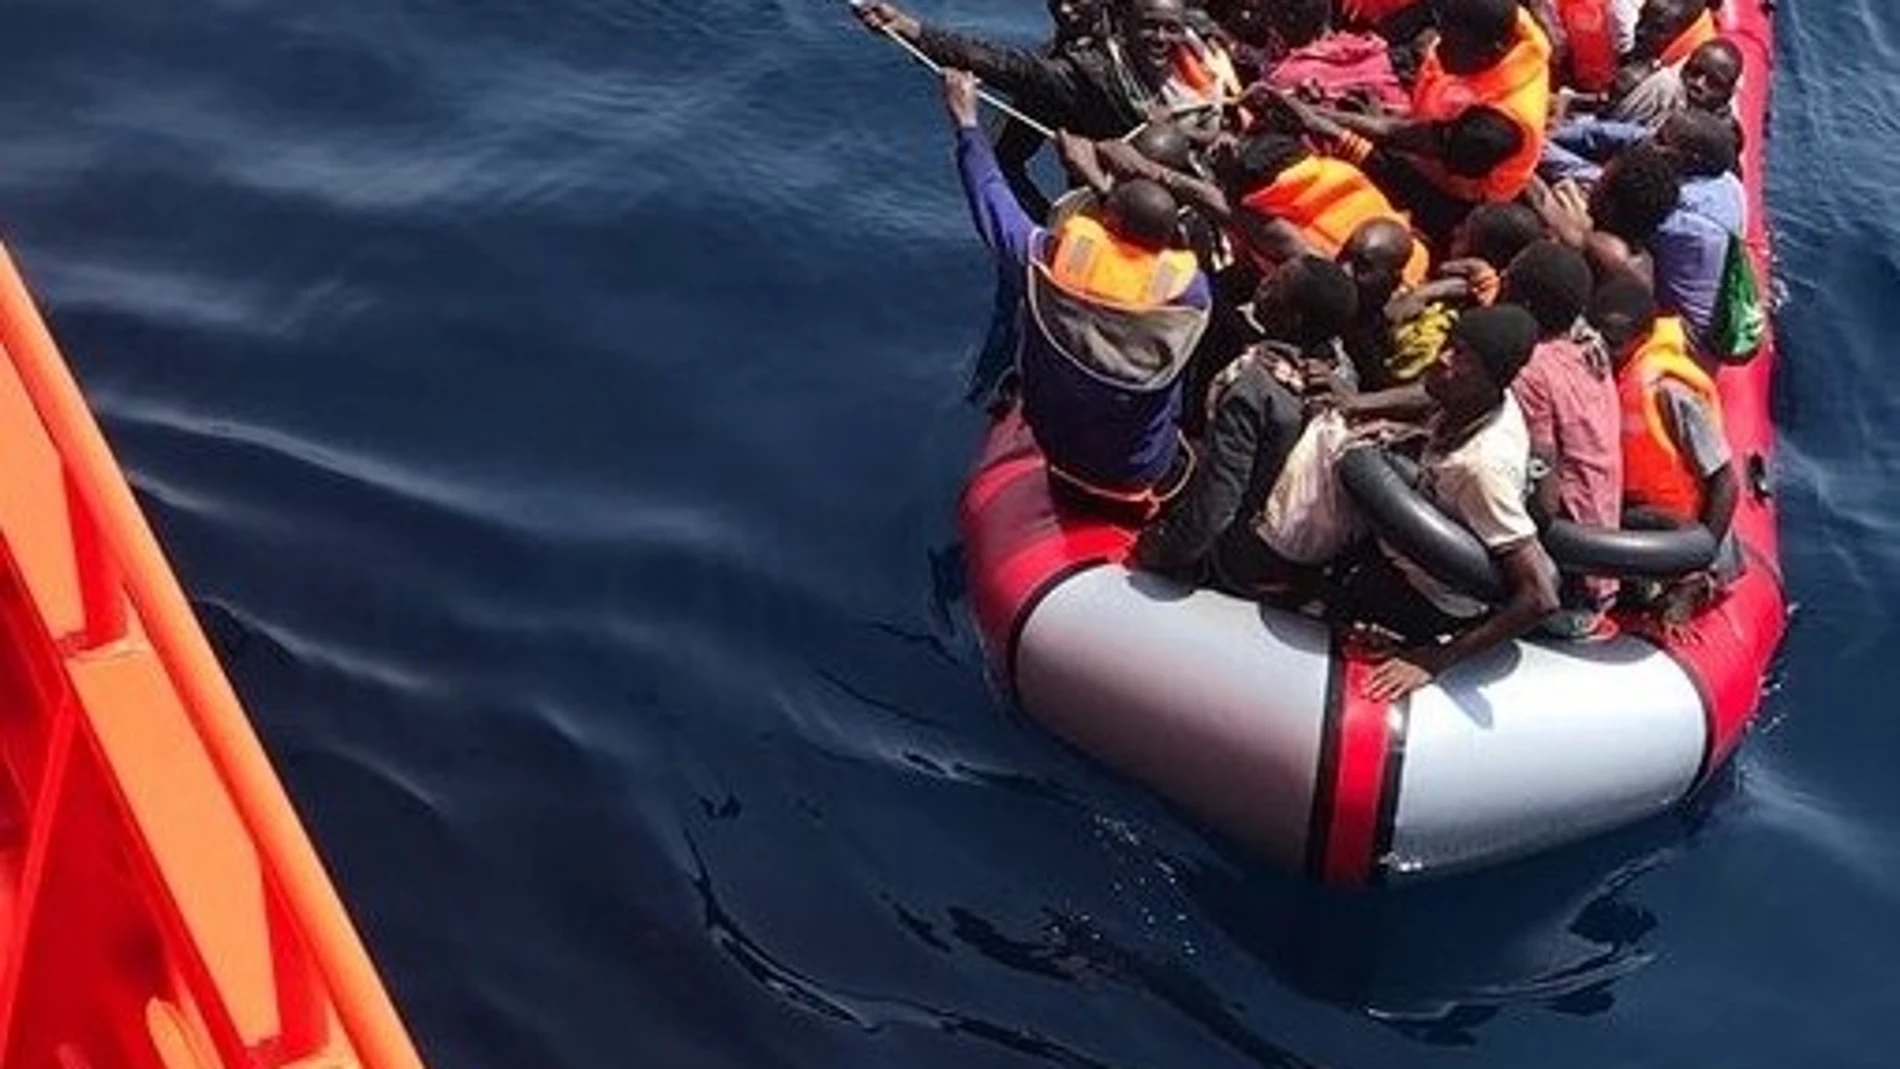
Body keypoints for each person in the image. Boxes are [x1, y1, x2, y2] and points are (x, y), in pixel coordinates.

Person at [945, 70, 1212, 521]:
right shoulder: (1191, 293)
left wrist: (967, 122)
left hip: (1060, 454)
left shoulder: (1048, 260)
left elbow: (990, 198)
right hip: (1144, 470)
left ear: (1108, 220)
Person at [1336, 305, 1563, 701]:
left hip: (1426, 596)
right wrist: (1374, 414)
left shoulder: (1481, 469)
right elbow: (1426, 402)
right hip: (1423, 521)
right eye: (1450, 345)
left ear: (1490, 378)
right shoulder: (1471, 400)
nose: (1443, 358)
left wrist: (1435, 660)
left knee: (1327, 590)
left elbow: (1540, 597)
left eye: (1463, 357)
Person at [1133, 257, 1360, 587]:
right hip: (1303, 548)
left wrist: (1166, 552)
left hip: (1244, 556)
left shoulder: (1253, 387)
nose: (1263, 284)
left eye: (1275, 284)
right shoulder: (1342, 372)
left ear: (1293, 318)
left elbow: (1219, 503)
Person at [1300, 0, 1553, 240]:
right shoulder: (1501, 22)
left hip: (1459, 195)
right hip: (1436, 124)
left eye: (1454, 44)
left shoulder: (1497, 125)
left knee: (1360, 155)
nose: (1439, 49)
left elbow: (1403, 139)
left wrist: (1315, 116)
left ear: (1492, 52)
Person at [853, 0, 1238, 143]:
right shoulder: (1080, 73)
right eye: (1057, 0)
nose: (1065, 10)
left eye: (1168, 27)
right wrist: (908, 28)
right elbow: (998, 62)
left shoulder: (1199, 47)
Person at [1589, 276, 1742, 619]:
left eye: (1613, 343)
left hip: (1680, 532)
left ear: (1642, 339)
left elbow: (1725, 481)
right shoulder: (1605, 373)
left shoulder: (1670, 392)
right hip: (1633, 517)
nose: (1602, 350)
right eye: (1597, 338)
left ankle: (1697, 585)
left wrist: (1695, 563)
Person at [1498, 241, 1624, 636]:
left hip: (1566, 587)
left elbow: (1544, 499)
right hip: (1601, 571)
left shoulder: (1529, 372)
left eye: (1508, 280)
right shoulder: (1588, 344)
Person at [1540, 110, 1744, 350]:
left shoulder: (1692, 223)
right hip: (1657, 279)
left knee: (1597, 239)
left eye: (1659, 140)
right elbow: (1612, 135)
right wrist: (1555, 136)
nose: (1650, 139)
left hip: (1683, 333)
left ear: (1690, 159)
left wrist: (1538, 150)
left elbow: (1612, 187)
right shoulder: (1704, 168)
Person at [1529, 140, 1681, 285]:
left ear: (1610, 207)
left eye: (1601, 181)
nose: (1593, 185)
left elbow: (1538, 195)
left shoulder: (1607, 255)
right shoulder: (1644, 261)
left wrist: (1579, 227)